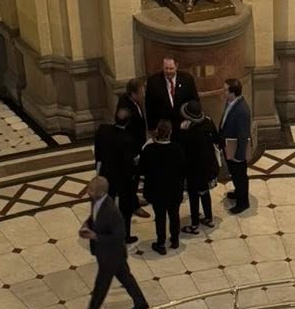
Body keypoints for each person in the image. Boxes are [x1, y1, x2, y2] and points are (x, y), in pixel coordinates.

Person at [71, 175, 149, 309]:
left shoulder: (111, 211)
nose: (88, 191)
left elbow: (119, 237)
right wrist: (87, 224)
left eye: (91, 189)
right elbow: (94, 216)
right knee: (125, 277)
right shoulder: (95, 200)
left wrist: (95, 236)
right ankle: (141, 303)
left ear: (100, 192)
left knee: (101, 287)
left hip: (111, 255)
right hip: (110, 254)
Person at [93, 99, 141, 241]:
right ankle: (125, 235)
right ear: (128, 122)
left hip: (105, 174)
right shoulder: (127, 139)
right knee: (125, 208)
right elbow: (129, 163)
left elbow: (98, 152)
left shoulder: (103, 130)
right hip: (121, 179)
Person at [139, 119, 186, 254]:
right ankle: (175, 240)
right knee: (174, 215)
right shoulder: (177, 149)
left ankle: (160, 243)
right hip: (174, 190)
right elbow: (183, 169)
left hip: (156, 190)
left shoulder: (149, 150)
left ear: (157, 132)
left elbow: (142, 170)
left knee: (160, 217)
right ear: (170, 132)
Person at [179, 99, 220, 236]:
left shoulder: (188, 131)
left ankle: (194, 225)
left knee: (194, 196)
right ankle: (209, 218)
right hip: (209, 167)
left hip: (194, 171)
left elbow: (183, 151)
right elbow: (216, 139)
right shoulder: (208, 122)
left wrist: (182, 131)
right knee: (205, 192)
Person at [219, 76, 253, 214]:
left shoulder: (242, 111)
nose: (223, 92)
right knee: (234, 173)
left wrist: (239, 157)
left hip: (237, 150)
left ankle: (243, 202)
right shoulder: (230, 102)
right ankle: (238, 192)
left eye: (225, 90)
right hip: (229, 145)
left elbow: (243, 136)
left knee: (240, 176)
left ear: (233, 92)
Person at [143, 55, 198, 130]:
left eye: (171, 68)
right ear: (162, 67)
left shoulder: (187, 79)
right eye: (166, 68)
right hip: (164, 127)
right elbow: (149, 106)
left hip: (184, 125)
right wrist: (152, 128)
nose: (168, 71)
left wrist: (191, 121)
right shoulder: (153, 82)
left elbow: (195, 100)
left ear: (176, 67)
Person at [116, 76, 149, 157]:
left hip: (140, 143)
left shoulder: (135, 101)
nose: (144, 95)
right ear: (133, 94)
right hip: (132, 148)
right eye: (141, 93)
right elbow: (121, 126)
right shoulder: (125, 106)